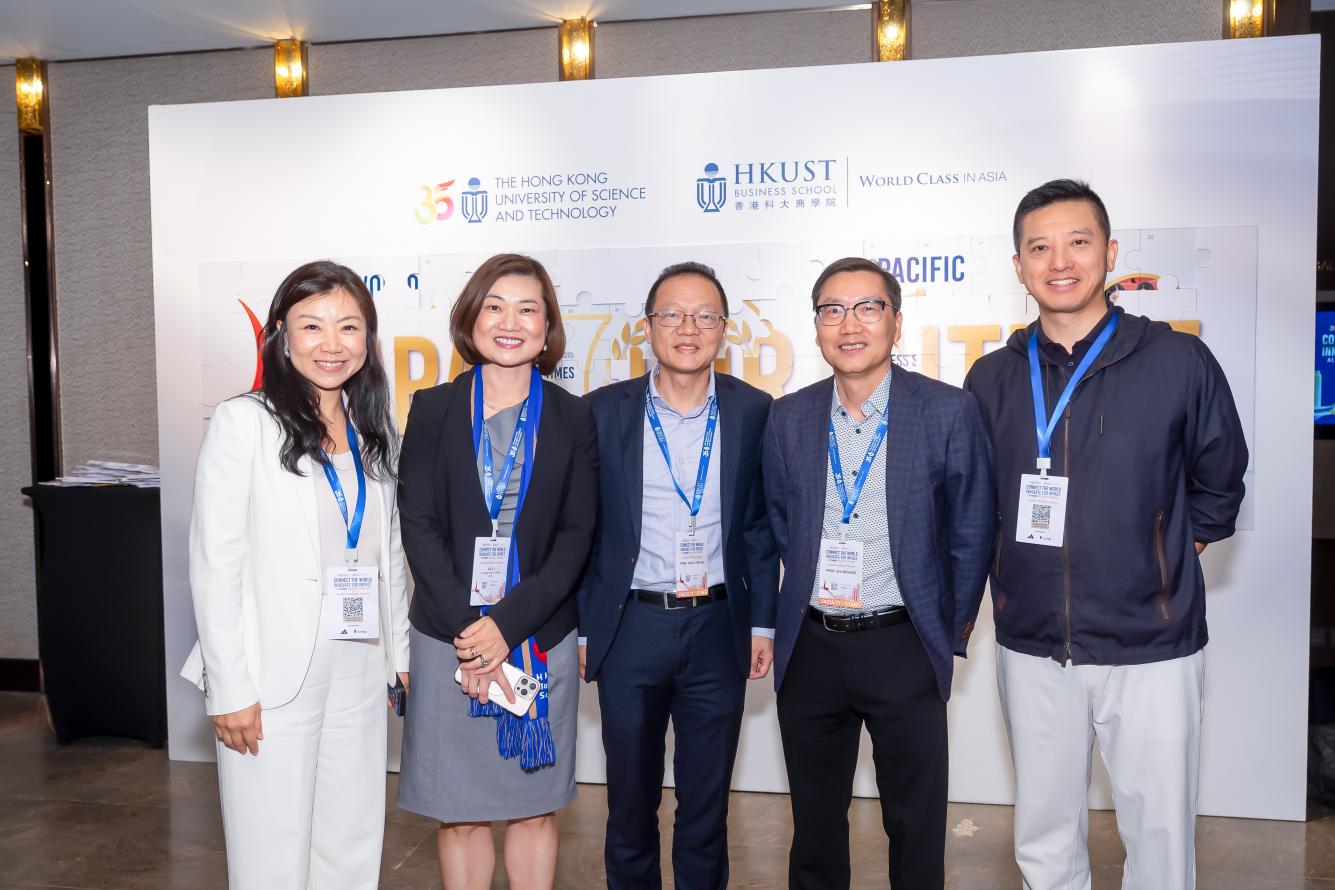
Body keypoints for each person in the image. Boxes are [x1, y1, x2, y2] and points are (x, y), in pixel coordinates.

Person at [963, 179, 1248, 890]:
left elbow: (1219, 484)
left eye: (1078, 242)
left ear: (1110, 253)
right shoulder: (991, 378)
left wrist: (1156, 558)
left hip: (1151, 645)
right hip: (1031, 642)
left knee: (1159, 833)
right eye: (1039, 248)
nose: (1059, 261)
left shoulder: (1177, 361)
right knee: (1043, 834)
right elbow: (972, 504)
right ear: (1018, 265)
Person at [762, 256, 995, 889]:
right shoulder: (789, 416)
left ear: (895, 321)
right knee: (814, 827)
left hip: (904, 644)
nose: (850, 324)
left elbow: (972, 530)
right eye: (833, 310)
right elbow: (781, 522)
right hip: (811, 647)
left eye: (868, 307)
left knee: (915, 824)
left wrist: (944, 632)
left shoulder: (946, 410)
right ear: (816, 326)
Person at [180, 260, 411, 889]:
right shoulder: (245, 421)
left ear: (368, 339)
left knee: (351, 843)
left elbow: (387, 552)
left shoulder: (372, 430)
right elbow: (215, 564)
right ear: (281, 334)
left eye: (349, 327)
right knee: (271, 853)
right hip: (270, 675)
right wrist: (230, 687)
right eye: (312, 325)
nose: (331, 344)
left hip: (359, 664)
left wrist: (400, 654)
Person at [395, 253, 597, 890]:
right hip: (447, 637)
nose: (511, 323)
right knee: (459, 815)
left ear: (547, 327)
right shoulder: (431, 409)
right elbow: (418, 525)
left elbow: (577, 534)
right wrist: (471, 630)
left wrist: (506, 626)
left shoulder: (572, 416)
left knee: (534, 810)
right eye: (495, 307)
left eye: (527, 309)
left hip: (537, 636)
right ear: (470, 318)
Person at [578, 262, 780, 889]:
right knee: (629, 806)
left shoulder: (754, 411)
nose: (688, 328)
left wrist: (763, 624)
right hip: (629, 628)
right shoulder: (601, 412)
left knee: (706, 809)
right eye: (672, 315)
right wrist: (584, 629)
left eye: (704, 316)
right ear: (648, 328)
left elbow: (758, 526)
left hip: (718, 628)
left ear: (724, 329)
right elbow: (581, 531)